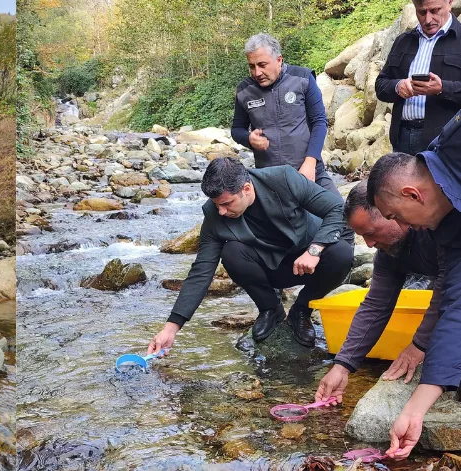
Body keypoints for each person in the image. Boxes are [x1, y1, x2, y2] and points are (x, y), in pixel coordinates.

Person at [147, 157, 352, 355]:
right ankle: (270, 309)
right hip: (270, 269)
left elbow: (336, 208)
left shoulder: (284, 179)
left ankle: (301, 310)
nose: (221, 211)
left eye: (227, 203)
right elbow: (201, 271)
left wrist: (314, 250)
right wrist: (171, 328)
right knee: (231, 252)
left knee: (342, 253)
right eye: (217, 204)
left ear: (246, 188)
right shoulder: (213, 214)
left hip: (308, 260)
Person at [366, 118, 461, 458]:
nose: (401, 227)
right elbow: (457, 307)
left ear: (413, 194)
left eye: (396, 216)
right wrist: (415, 410)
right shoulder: (450, 226)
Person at [314, 181, 442, 406]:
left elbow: (449, 290)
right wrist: (342, 366)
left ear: (390, 212)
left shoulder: (436, 227)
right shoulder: (388, 252)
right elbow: (376, 305)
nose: (370, 244)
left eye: (371, 233)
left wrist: (419, 345)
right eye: (362, 237)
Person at [231, 33, 339, 198]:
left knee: (340, 213)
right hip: (269, 177)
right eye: (252, 66)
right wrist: (248, 139)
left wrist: (310, 163)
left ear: (279, 60)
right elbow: (237, 129)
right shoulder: (244, 90)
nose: (257, 72)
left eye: (262, 65)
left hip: (308, 170)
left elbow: (319, 122)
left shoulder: (302, 78)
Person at [375, 0, 461, 155]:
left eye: (435, 10)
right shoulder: (403, 41)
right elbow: (380, 85)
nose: (427, 20)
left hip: (447, 144)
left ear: (450, 3)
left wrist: (442, 88)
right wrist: (398, 86)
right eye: (421, 12)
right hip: (402, 139)